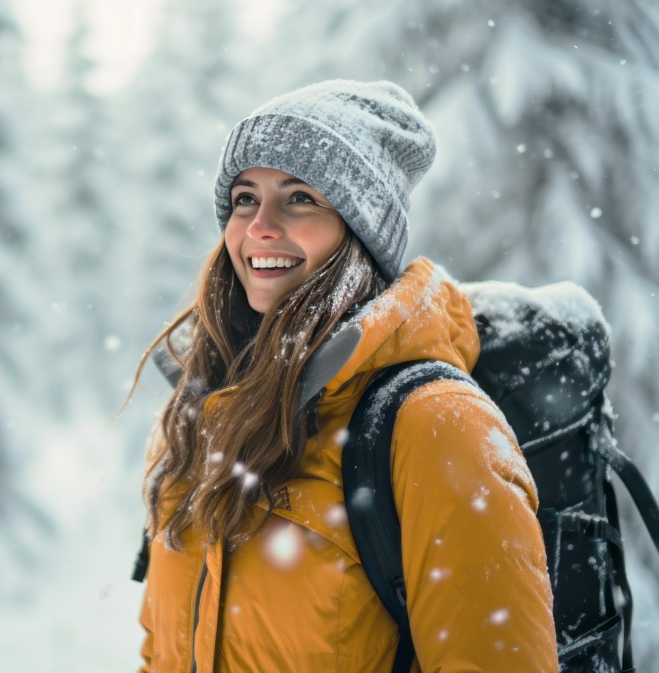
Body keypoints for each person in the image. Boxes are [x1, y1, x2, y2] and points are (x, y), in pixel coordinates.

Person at [133, 80, 559, 672]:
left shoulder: (435, 426)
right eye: (244, 198)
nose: (259, 226)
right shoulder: (197, 419)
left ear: (361, 231)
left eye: (301, 197)